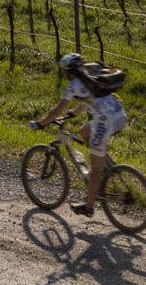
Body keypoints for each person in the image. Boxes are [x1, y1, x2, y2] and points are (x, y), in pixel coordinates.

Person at [29, 53, 128, 217]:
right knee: (84, 131)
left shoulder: (73, 85)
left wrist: (41, 123)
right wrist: (73, 114)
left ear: (69, 71)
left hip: (106, 120)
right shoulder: (90, 77)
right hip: (119, 114)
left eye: (63, 71)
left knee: (95, 168)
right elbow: (89, 99)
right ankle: (108, 161)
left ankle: (89, 206)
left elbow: (57, 110)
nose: (63, 74)